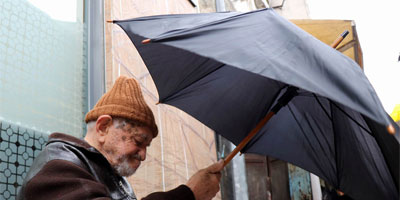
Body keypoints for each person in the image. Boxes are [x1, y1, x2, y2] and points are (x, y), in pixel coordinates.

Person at [17, 76, 224, 200]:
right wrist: (189, 194)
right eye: (138, 141)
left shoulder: (115, 177)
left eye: (147, 146)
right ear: (104, 127)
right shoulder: (57, 166)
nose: (143, 155)